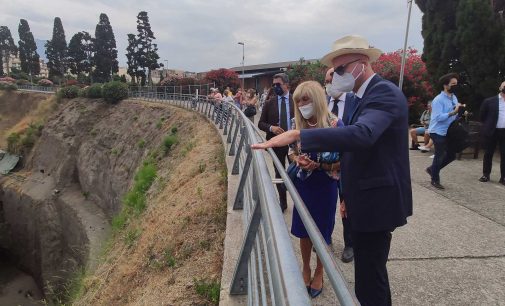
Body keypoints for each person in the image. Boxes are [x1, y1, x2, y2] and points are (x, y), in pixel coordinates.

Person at [252, 35, 413, 306]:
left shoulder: (383, 93)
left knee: (371, 279)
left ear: (362, 64)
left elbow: (362, 136)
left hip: (378, 201)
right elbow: (353, 153)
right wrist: (347, 194)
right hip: (362, 197)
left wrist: (298, 135)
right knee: (367, 277)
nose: (336, 77)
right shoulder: (357, 98)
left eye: (340, 70)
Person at [288, 80, 342, 298]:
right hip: (304, 185)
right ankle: (306, 267)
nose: (301, 104)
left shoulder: (336, 124)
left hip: (326, 186)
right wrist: (297, 159)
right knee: (303, 231)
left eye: (306, 99)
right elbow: (291, 151)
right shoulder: (296, 123)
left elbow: (346, 159)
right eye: (298, 100)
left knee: (322, 231)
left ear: (317, 100)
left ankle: (320, 271)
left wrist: (321, 165)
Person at [324, 67, 354, 263]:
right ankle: (325, 237)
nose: (328, 84)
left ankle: (350, 243)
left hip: (347, 166)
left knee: (347, 206)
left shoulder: (355, 102)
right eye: (326, 80)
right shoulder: (323, 103)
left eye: (331, 80)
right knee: (326, 204)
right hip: (325, 167)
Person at [258, 73, 294, 212]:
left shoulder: (295, 101)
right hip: (277, 143)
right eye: (274, 85)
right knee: (279, 173)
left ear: (286, 84)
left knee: (297, 172)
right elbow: (261, 123)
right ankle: (283, 202)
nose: (275, 87)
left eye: (278, 84)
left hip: (294, 145)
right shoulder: (269, 103)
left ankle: (299, 202)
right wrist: (271, 128)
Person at [425, 73, 464, 190]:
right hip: (437, 131)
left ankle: (432, 169)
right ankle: (435, 179)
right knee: (440, 155)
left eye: (456, 84)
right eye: (453, 84)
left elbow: (455, 110)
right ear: (445, 85)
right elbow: (438, 117)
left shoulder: (454, 97)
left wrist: (461, 111)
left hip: (449, 130)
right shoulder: (438, 100)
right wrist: (453, 112)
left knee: (451, 155)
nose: (455, 86)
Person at [478, 81, 505, 185]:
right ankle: (486, 175)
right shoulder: (489, 101)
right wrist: (488, 126)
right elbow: (482, 116)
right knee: (488, 153)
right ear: (500, 87)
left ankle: (503, 177)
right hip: (492, 131)